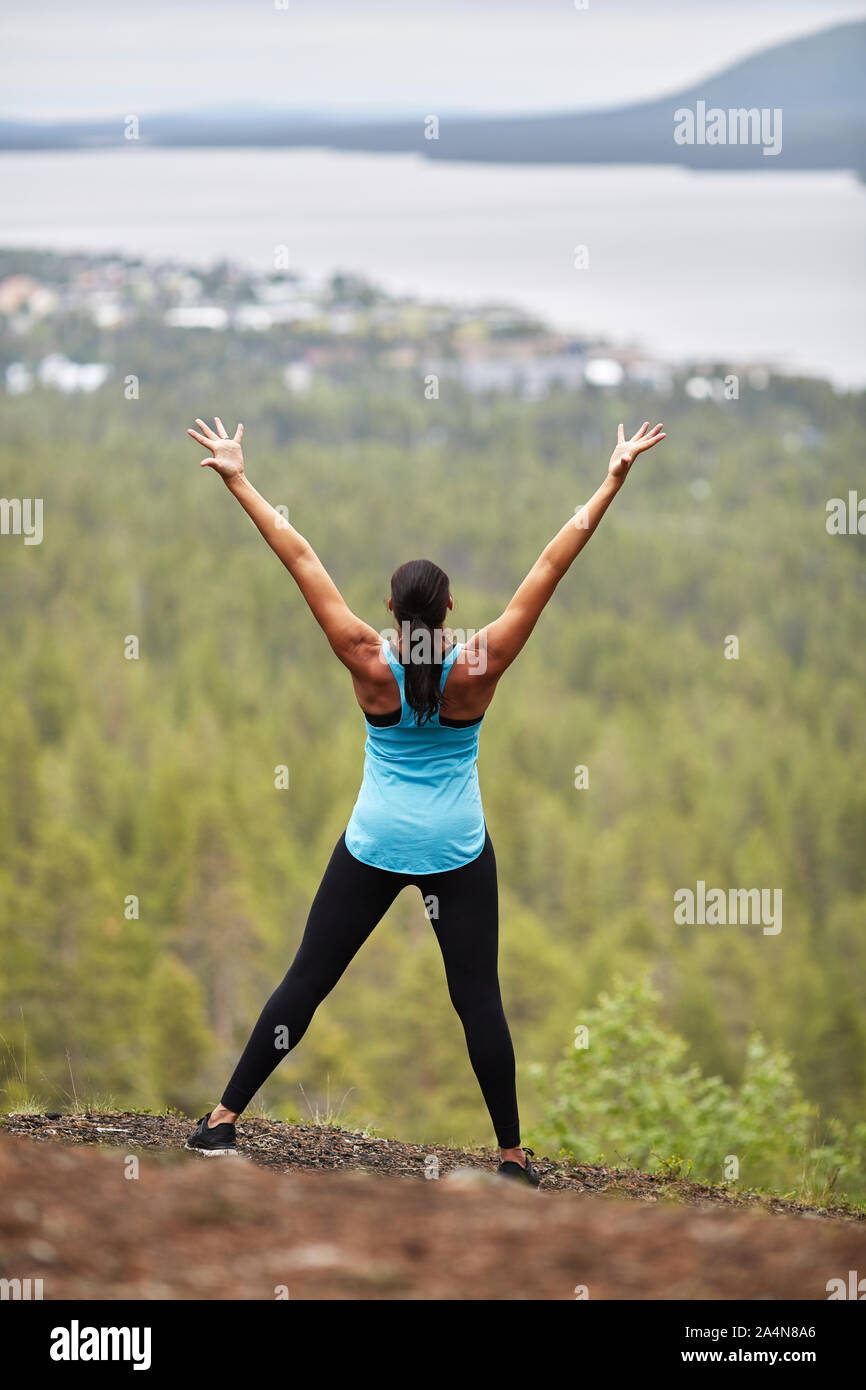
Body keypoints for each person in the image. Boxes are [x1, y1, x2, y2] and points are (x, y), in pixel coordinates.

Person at [183, 414, 666, 1183]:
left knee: (306, 981)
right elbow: (550, 564)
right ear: (446, 612)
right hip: (455, 849)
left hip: (375, 842)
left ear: (391, 607)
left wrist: (239, 477)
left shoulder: (366, 657)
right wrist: (611, 478)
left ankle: (221, 1122)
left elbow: (299, 555)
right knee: (478, 1001)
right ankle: (510, 1156)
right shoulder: (481, 662)